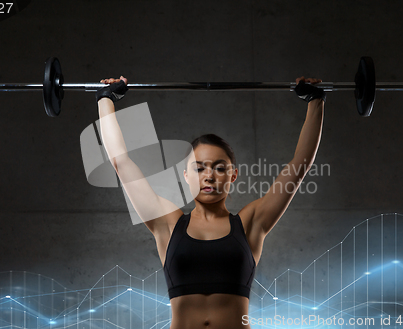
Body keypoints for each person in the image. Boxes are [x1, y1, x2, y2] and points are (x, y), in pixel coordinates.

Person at [95, 76, 325, 329]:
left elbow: (300, 165)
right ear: (185, 176)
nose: (209, 176)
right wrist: (106, 99)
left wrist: (315, 100)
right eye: (199, 168)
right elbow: (121, 162)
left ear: (233, 175)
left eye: (219, 167)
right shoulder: (167, 223)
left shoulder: (250, 223)